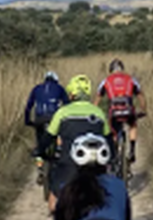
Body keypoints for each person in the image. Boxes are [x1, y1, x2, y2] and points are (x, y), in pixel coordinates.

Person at [41, 74, 110, 212]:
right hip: (95, 166)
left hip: (68, 164)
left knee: (53, 202)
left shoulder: (62, 113)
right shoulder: (98, 113)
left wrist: (39, 150)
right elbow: (108, 138)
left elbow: (49, 137)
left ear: (71, 95)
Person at [23, 71, 69, 182]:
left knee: (40, 144)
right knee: (59, 134)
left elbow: (28, 106)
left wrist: (28, 121)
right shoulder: (59, 88)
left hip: (40, 119)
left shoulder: (36, 89)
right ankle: (59, 151)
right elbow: (67, 104)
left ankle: (40, 168)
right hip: (54, 118)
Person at [97, 58, 145, 165]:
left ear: (111, 70)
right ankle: (132, 150)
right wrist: (143, 109)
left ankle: (114, 154)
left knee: (113, 131)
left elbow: (98, 97)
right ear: (122, 69)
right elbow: (140, 95)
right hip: (128, 110)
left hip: (113, 111)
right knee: (133, 125)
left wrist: (95, 111)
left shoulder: (106, 80)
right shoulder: (131, 79)